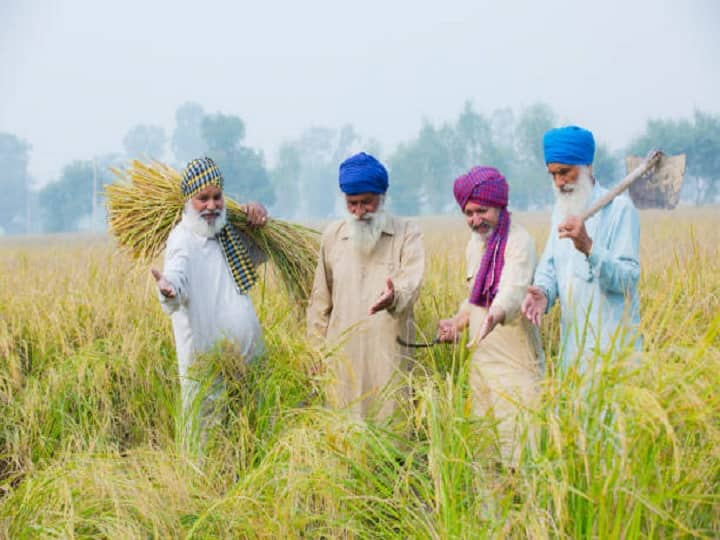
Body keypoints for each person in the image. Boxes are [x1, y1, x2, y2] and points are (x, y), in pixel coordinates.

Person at [151, 156, 268, 445]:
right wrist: (168, 288)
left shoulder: (227, 234)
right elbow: (176, 274)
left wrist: (261, 217)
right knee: (209, 442)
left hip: (247, 365)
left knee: (250, 440)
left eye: (217, 197)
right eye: (203, 199)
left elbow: (262, 251)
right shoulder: (183, 240)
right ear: (189, 201)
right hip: (208, 371)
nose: (212, 206)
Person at [436, 166, 543, 467]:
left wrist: (495, 314)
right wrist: (456, 323)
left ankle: (530, 515)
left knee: (521, 457)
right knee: (485, 456)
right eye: (468, 213)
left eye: (481, 211)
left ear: (499, 205)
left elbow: (513, 289)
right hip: (482, 366)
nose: (475, 220)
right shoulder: (476, 245)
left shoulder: (519, 242)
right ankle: (489, 516)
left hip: (516, 368)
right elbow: (474, 300)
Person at [306, 152, 425, 420]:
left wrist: (394, 296)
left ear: (382, 198)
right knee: (344, 438)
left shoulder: (407, 234)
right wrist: (315, 352)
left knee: (392, 439)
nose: (359, 212)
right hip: (342, 362)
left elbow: (412, 281)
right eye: (352, 203)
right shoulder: (333, 237)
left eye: (367, 203)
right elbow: (319, 303)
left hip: (388, 359)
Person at [521, 126, 641, 371]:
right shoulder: (561, 211)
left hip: (613, 350)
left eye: (565, 172)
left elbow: (628, 280)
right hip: (574, 351)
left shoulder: (620, 210)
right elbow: (551, 265)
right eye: (552, 174)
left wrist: (587, 246)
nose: (559, 182)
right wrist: (544, 292)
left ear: (587, 166)